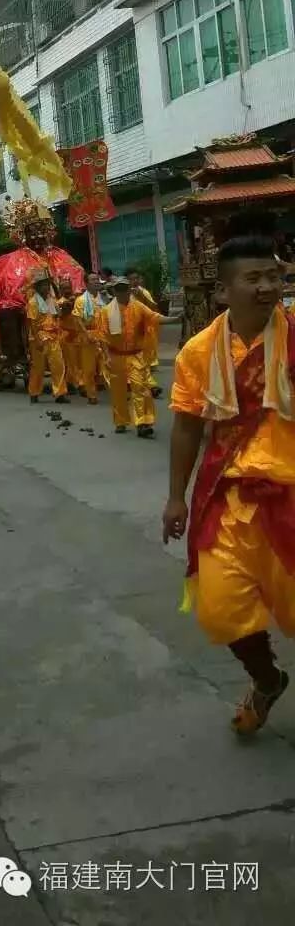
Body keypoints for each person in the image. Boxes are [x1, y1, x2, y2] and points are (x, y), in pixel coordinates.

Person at [163, 229, 295, 736]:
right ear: (223, 291)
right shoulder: (199, 352)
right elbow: (188, 425)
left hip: (289, 492)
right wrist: (176, 497)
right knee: (220, 611)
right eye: (253, 278)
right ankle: (267, 678)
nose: (266, 286)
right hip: (228, 497)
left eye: (274, 276)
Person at [96, 277, 157, 437]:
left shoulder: (138, 307)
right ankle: (121, 421)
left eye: (125, 288)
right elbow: (102, 336)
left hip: (135, 355)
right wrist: (106, 356)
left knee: (141, 388)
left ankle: (143, 422)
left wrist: (175, 319)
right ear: (114, 291)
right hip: (116, 356)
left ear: (129, 289)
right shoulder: (106, 311)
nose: (122, 292)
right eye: (119, 289)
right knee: (118, 392)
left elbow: (154, 316)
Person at [25, 270, 68, 404]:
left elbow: (57, 315)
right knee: (38, 367)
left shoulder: (52, 299)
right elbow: (32, 323)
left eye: (47, 284)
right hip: (39, 337)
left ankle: (60, 393)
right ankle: (34, 391)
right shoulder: (33, 302)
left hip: (53, 336)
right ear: (37, 287)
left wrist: (64, 308)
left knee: (58, 365)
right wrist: (37, 341)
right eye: (42, 285)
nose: (45, 287)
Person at [126, 267, 163, 398]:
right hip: (128, 333)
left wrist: (141, 297)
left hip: (143, 331)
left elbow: (154, 308)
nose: (134, 281)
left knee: (141, 360)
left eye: (136, 278)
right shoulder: (124, 294)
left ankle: (149, 385)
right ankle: (148, 385)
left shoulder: (144, 292)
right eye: (131, 279)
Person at [72, 272, 104, 404]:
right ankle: (91, 394)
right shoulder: (81, 300)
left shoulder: (103, 299)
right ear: (86, 283)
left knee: (107, 366)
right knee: (89, 369)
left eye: (97, 279)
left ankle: (120, 391)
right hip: (88, 337)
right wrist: (87, 334)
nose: (96, 281)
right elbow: (78, 320)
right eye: (93, 280)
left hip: (102, 336)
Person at [57, 277, 82, 394]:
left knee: (78, 361)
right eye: (64, 288)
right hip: (66, 335)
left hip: (78, 335)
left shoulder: (78, 300)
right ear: (60, 290)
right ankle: (73, 384)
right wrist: (68, 305)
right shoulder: (60, 302)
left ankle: (77, 382)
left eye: (68, 287)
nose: (67, 290)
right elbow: (61, 315)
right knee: (69, 361)